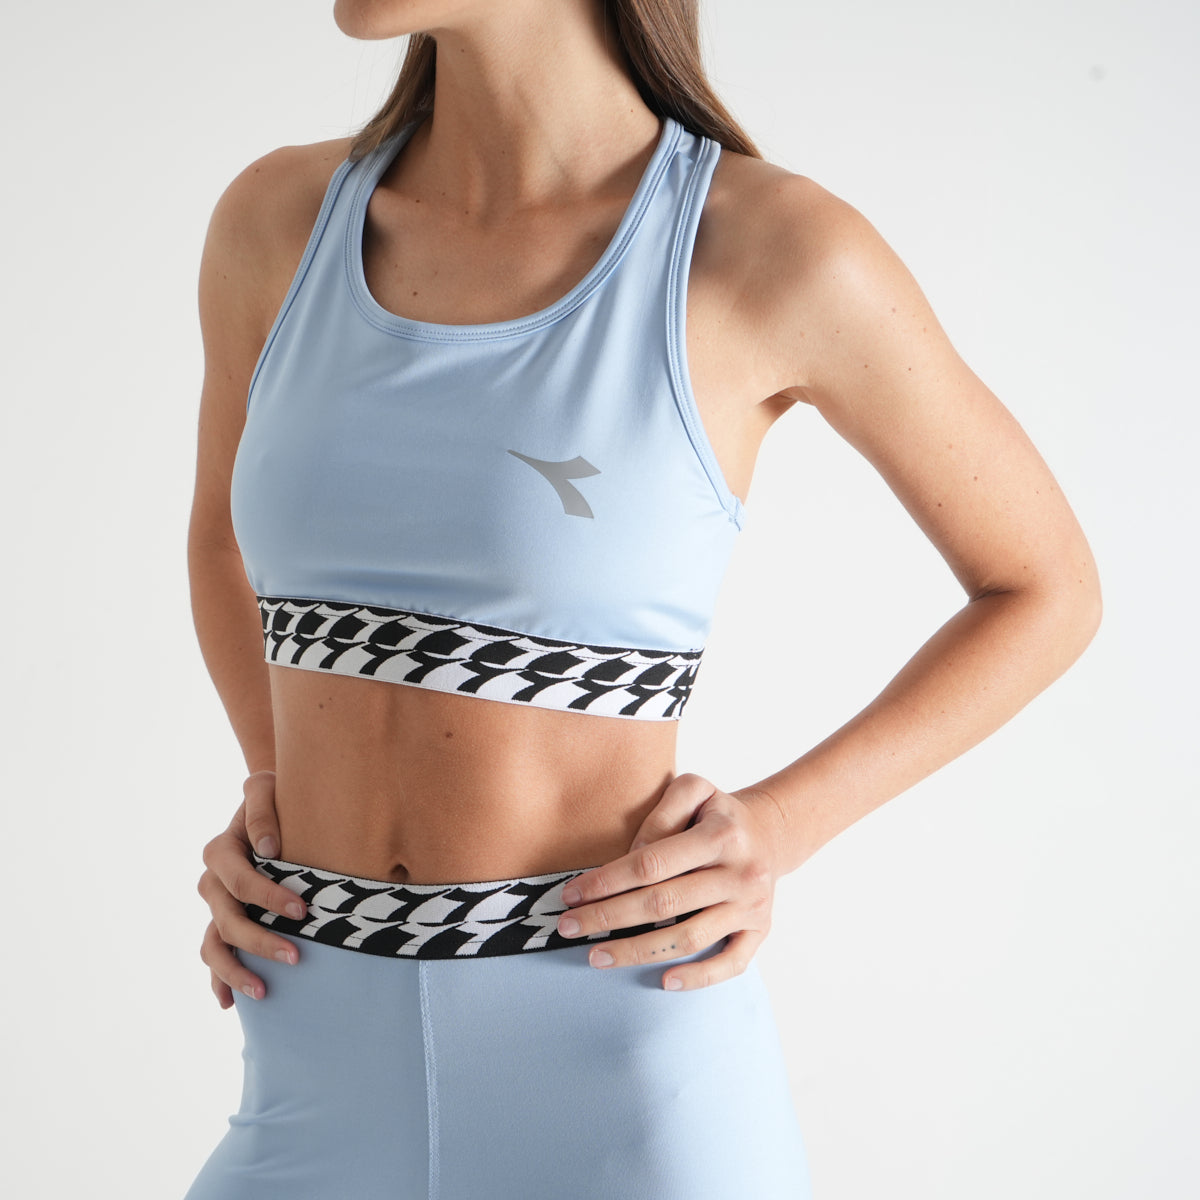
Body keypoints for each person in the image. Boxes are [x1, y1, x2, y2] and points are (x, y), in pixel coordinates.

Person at [183, 2, 1102, 1197]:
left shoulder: (768, 249)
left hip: (622, 1074)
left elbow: (1045, 587)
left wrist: (780, 826)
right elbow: (221, 540)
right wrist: (275, 790)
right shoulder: (276, 222)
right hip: (310, 1056)